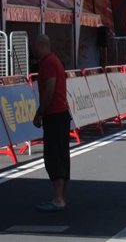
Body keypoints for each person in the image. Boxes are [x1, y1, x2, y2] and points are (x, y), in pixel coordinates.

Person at [32, 34, 71, 212]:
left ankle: (58, 198)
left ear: (40, 46)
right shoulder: (55, 61)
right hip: (61, 113)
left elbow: (49, 89)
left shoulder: (47, 63)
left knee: (53, 156)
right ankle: (60, 196)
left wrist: (40, 112)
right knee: (61, 155)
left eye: (34, 47)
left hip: (54, 114)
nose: (33, 50)